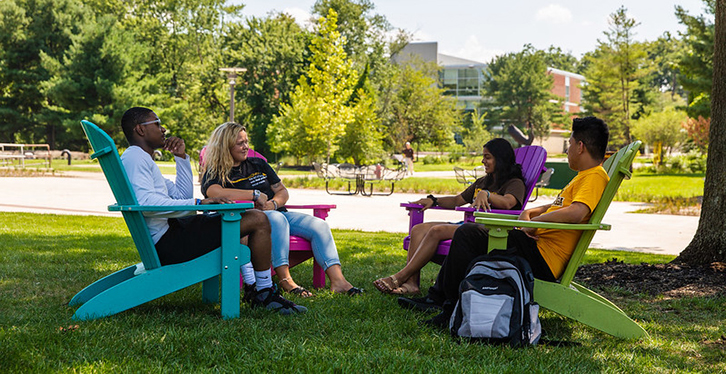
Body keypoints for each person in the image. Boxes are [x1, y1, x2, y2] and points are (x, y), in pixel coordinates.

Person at [398, 116, 610, 328]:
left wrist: (535, 223)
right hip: (535, 247)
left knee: (468, 235)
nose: (567, 149)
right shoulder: (583, 176)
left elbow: (576, 212)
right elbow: (556, 207)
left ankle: (444, 305)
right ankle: (441, 300)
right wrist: (529, 214)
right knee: (470, 235)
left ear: (580, 147)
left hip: (543, 257)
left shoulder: (594, 176)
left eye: (570, 144)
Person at [119, 107, 306, 315]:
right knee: (257, 219)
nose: (163, 129)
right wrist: (200, 203)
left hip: (174, 232)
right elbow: (147, 204)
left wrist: (181, 158)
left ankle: (259, 288)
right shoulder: (135, 158)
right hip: (170, 242)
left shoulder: (142, 159)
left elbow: (180, 196)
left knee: (251, 218)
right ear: (140, 130)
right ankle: (262, 291)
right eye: (156, 123)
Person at [201, 122, 363, 297]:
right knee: (277, 220)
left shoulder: (258, 164)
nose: (245, 146)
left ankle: (338, 281)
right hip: (250, 221)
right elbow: (214, 192)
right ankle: (286, 280)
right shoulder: (216, 171)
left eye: (246, 141)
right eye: (240, 143)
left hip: (277, 212)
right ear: (226, 145)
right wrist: (254, 195)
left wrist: (274, 204)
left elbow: (281, 190)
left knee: (319, 225)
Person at [373, 138, 526, 295]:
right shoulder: (483, 182)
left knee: (437, 231)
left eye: (488, 157)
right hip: (467, 225)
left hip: (491, 232)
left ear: (500, 159)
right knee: (418, 230)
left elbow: (508, 203)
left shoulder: (514, 183)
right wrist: (433, 200)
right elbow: (457, 200)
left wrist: (487, 195)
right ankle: (412, 284)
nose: (483, 161)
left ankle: (400, 276)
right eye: (483, 156)